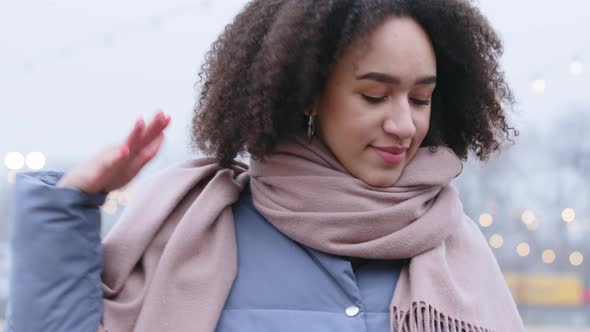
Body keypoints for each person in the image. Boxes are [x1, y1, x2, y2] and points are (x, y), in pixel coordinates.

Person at [6, 0, 525, 331]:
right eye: (373, 95)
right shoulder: (201, 227)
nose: (403, 125)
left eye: (419, 99)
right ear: (308, 95)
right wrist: (66, 209)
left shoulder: (455, 246)